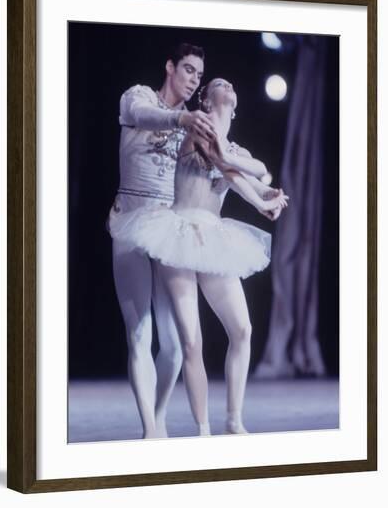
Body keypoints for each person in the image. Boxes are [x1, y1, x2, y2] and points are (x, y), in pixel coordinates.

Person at [110, 78, 288, 435]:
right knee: (191, 341)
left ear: (235, 106)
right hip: (178, 234)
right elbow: (226, 167)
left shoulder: (233, 147)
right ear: (206, 100)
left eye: (230, 85)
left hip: (213, 237)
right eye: (219, 84)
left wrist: (270, 195)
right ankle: (203, 429)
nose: (228, 85)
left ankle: (234, 419)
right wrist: (259, 201)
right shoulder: (199, 132)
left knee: (243, 329)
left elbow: (250, 169)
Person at [108, 43, 217, 439]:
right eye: (188, 70)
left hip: (166, 228)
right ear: (170, 67)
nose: (193, 79)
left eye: (199, 75)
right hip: (130, 220)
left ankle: (158, 417)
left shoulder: (194, 124)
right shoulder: (138, 97)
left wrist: (261, 191)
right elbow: (143, 116)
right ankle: (150, 430)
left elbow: (218, 165)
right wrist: (181, 119)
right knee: (139, 332)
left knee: (173, 345)